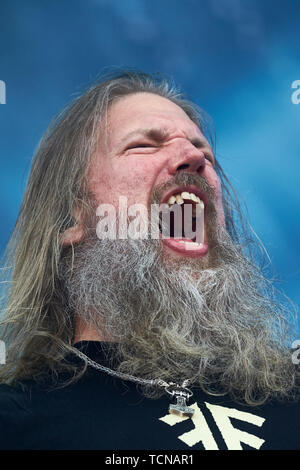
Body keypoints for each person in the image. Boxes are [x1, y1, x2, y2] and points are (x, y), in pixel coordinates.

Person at [0, 70, 299, 451]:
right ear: (70, 219)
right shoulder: (17, 424)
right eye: (144, 145)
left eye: (203, 151)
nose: (193, 158)